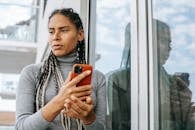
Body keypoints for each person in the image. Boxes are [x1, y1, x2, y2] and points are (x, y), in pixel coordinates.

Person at [15, 8, 106, 130]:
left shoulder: (97, 78)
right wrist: (59, 101)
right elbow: (21, 127)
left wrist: (88, 118)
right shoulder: (31, 73)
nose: (56, 37)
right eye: (51, 32)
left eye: (63, 30)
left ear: (80, 35)